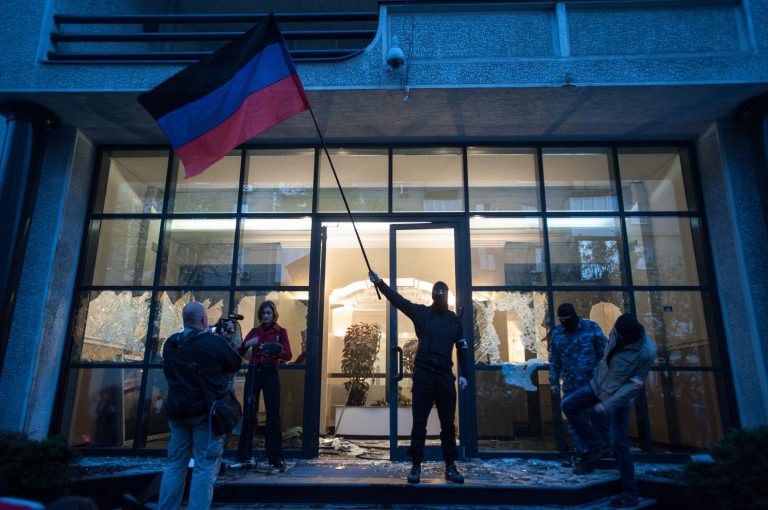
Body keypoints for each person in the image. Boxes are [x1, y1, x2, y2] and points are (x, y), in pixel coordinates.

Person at [369, 271, 469, 484]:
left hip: (444, 376)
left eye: (443, 293)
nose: (440, 296)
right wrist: (380, 284)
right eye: (437, 293)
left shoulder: (454, 321)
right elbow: (399, 301)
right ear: (433, 295)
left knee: (448, 425)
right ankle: (415, 466)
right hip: (423, 375)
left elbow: (462, 349)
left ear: (447, 295)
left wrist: (465, 375)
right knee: (419, 423)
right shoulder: (422, 314)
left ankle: (450, 466)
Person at [561, 313, 657, 508]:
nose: (619, 338)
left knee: (620, 443)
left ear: (633, 334)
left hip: (618, 397)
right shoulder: (617, 332)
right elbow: (605, 354)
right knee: (568, 404)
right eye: (618, 334)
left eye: (623, 336)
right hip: (597, 385)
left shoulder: (646, 352)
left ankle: (630, 493)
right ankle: (596, 445)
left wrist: (608, 404)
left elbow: (634, 386)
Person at [158, 302, 242, 510]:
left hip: (177, 412)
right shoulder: (212, 343)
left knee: (175, 464)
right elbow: (234, 363)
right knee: (204, 467)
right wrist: (223, 339)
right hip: (205, 414)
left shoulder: (170, 344)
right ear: (204, 320)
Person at [236, 300, 293, 470]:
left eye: (269, 313)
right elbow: (240, 351)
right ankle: (244, 455)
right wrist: (248, 343)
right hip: (254, 370)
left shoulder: (281, 331)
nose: (266, 316)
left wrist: (276, 351)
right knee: (249, 412)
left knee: (273, 414)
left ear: (274, 314)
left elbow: (288, 354)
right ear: (260, 315)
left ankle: (275, 456)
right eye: (263, 313)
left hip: (270, 371)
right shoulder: (255, 331)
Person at [549, 303, 607, 453]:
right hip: (571, 384)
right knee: (575, 423)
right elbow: (554, 359)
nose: (565, 322)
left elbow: (605, 356)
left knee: (599, 419)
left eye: (567, 319)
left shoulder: (591, 328)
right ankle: (583, 454)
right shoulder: (557, 333)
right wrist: (554, 381)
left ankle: (603, 452)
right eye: (561, 319)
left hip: (593, 384)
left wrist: (605, 380)